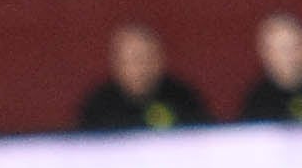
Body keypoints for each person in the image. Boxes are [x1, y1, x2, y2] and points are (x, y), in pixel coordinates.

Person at [75, 22, 209, 131]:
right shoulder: (98, 107)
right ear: (116, 64)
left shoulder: (183, 99)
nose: (140, 69)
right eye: (131, 60)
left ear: (159, 60)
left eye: (145, 59)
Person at [236, 13, 302, 122]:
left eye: (295, 46)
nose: (290, 55)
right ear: (266, 54)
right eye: (282, 48)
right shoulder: (258, 101)